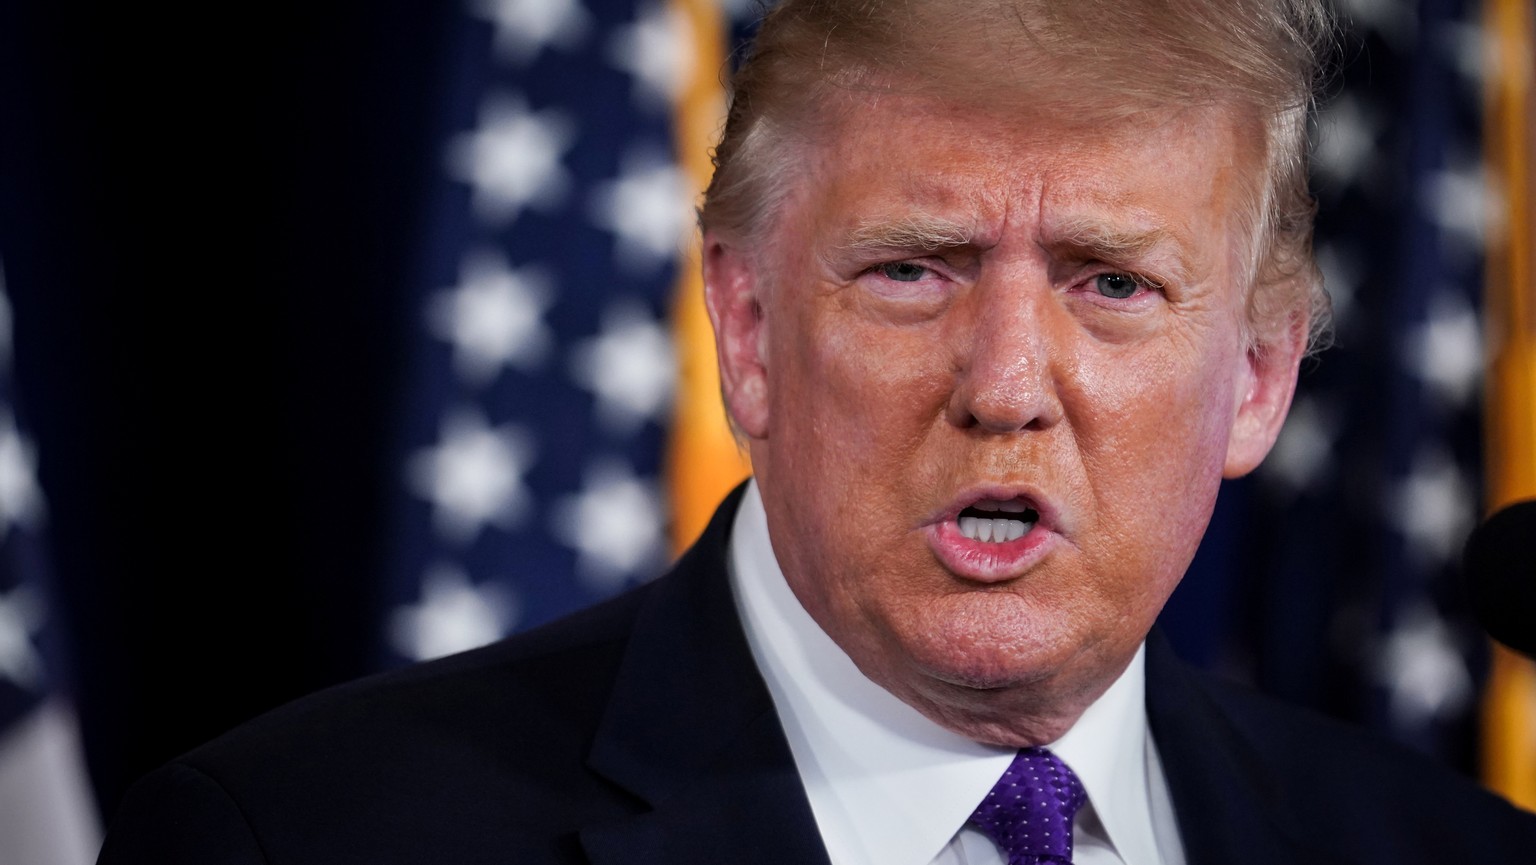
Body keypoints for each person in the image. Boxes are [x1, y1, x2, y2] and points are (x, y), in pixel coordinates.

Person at [99, 1, 1536, 863]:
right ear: (750, 329)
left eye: (1114, 283)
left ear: (1261, 378)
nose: (1006, 382)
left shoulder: (1445, 851)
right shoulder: (298, 842)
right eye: (914, 269)